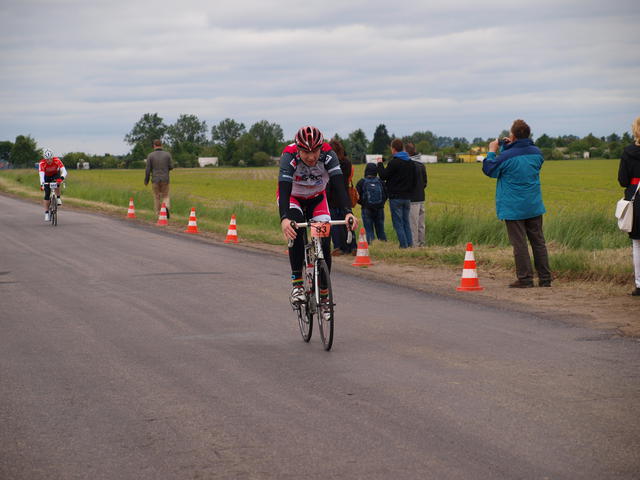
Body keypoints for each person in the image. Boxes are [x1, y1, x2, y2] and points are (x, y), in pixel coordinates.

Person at [278, 126, 358, 318]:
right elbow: (284, 188)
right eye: (306, 152)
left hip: (317, 198)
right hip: (294, 198)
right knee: (296, 229)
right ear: (298, 149)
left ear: (321, 148)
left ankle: (324, 296)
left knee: (324, 242)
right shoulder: (289, 156)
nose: (311, 156)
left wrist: (348, 212)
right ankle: (297, 285)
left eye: (315, 151)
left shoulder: (329, 155)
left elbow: (339, 185)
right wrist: (284, 218)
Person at [482, 119, 552, 288]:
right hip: (534, 204)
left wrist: (492, 151)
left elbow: (490, 169)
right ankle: (545, 278)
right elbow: (519, 159)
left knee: (520, 244)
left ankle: (525, 279)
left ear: (512, 135)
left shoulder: (506, 156)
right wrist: (510, 147)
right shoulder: (537, 153)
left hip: (513, 208)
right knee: (538, 242)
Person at [377, 139, 415, 248]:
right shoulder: (410, 162)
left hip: (396, 197)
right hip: (407, 197)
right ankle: (410, 245)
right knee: (406, 222)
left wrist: (379, 163)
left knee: (398, 223)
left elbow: (383, 176)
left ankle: (403, 246)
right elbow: (414, 180)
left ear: (393, 149)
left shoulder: (394, 162)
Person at [617, 116, 640, 296]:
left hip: (636, 198)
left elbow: (623, 180)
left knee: (637, 244)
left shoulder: (628, 152)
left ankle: (639, 284)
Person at [326, 138, 357, 256]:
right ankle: (353, 246)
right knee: (348, 222)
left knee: (335, 224)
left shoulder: (330, 164)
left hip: (332, 197)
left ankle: (339, 247)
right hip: (344, 196)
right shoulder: (347, 163)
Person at [356, 162, 387, 243]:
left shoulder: (361, 182)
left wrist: (363, 203)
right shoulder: (381, 181)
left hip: (366, 209)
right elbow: (386, 194)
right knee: (381, 230)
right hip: (380, 208)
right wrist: (381, 203)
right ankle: (384, 245)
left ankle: (371, 245)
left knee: (368, 230)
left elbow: (356, 196)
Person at [144, 139, 174, 218]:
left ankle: (158, 214)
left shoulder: (150, 155)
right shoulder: (167, 155)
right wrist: (166, 169)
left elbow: (147, 169)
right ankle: (166, 207)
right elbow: (171, 167)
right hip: (165, 179)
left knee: (157, 197)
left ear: (154, 145)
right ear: (161, 145)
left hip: (155, 179)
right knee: (165, 196)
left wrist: (146, 180)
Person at [406, 142, 427, 247]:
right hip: (421, 197)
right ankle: (421, 244)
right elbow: (425, 182)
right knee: (421, 224)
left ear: (406, 152)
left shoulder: (409, 165)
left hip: (413, 199)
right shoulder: (421, 164)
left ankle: (414, 245)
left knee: (413, 223)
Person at [38, 149, 67, 222]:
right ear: (45, 159)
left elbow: (64, 171)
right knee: (47, 194)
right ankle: (46, 213)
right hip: (46, 177)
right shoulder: (42, 163)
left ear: (53, 157)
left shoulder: (57, 160)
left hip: (55, 174)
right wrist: (42, 184)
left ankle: (58, 197)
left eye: (50, 159)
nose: (49, 161)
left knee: (57, 183)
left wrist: (61, 178)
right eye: (47, 159)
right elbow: (41, 175)